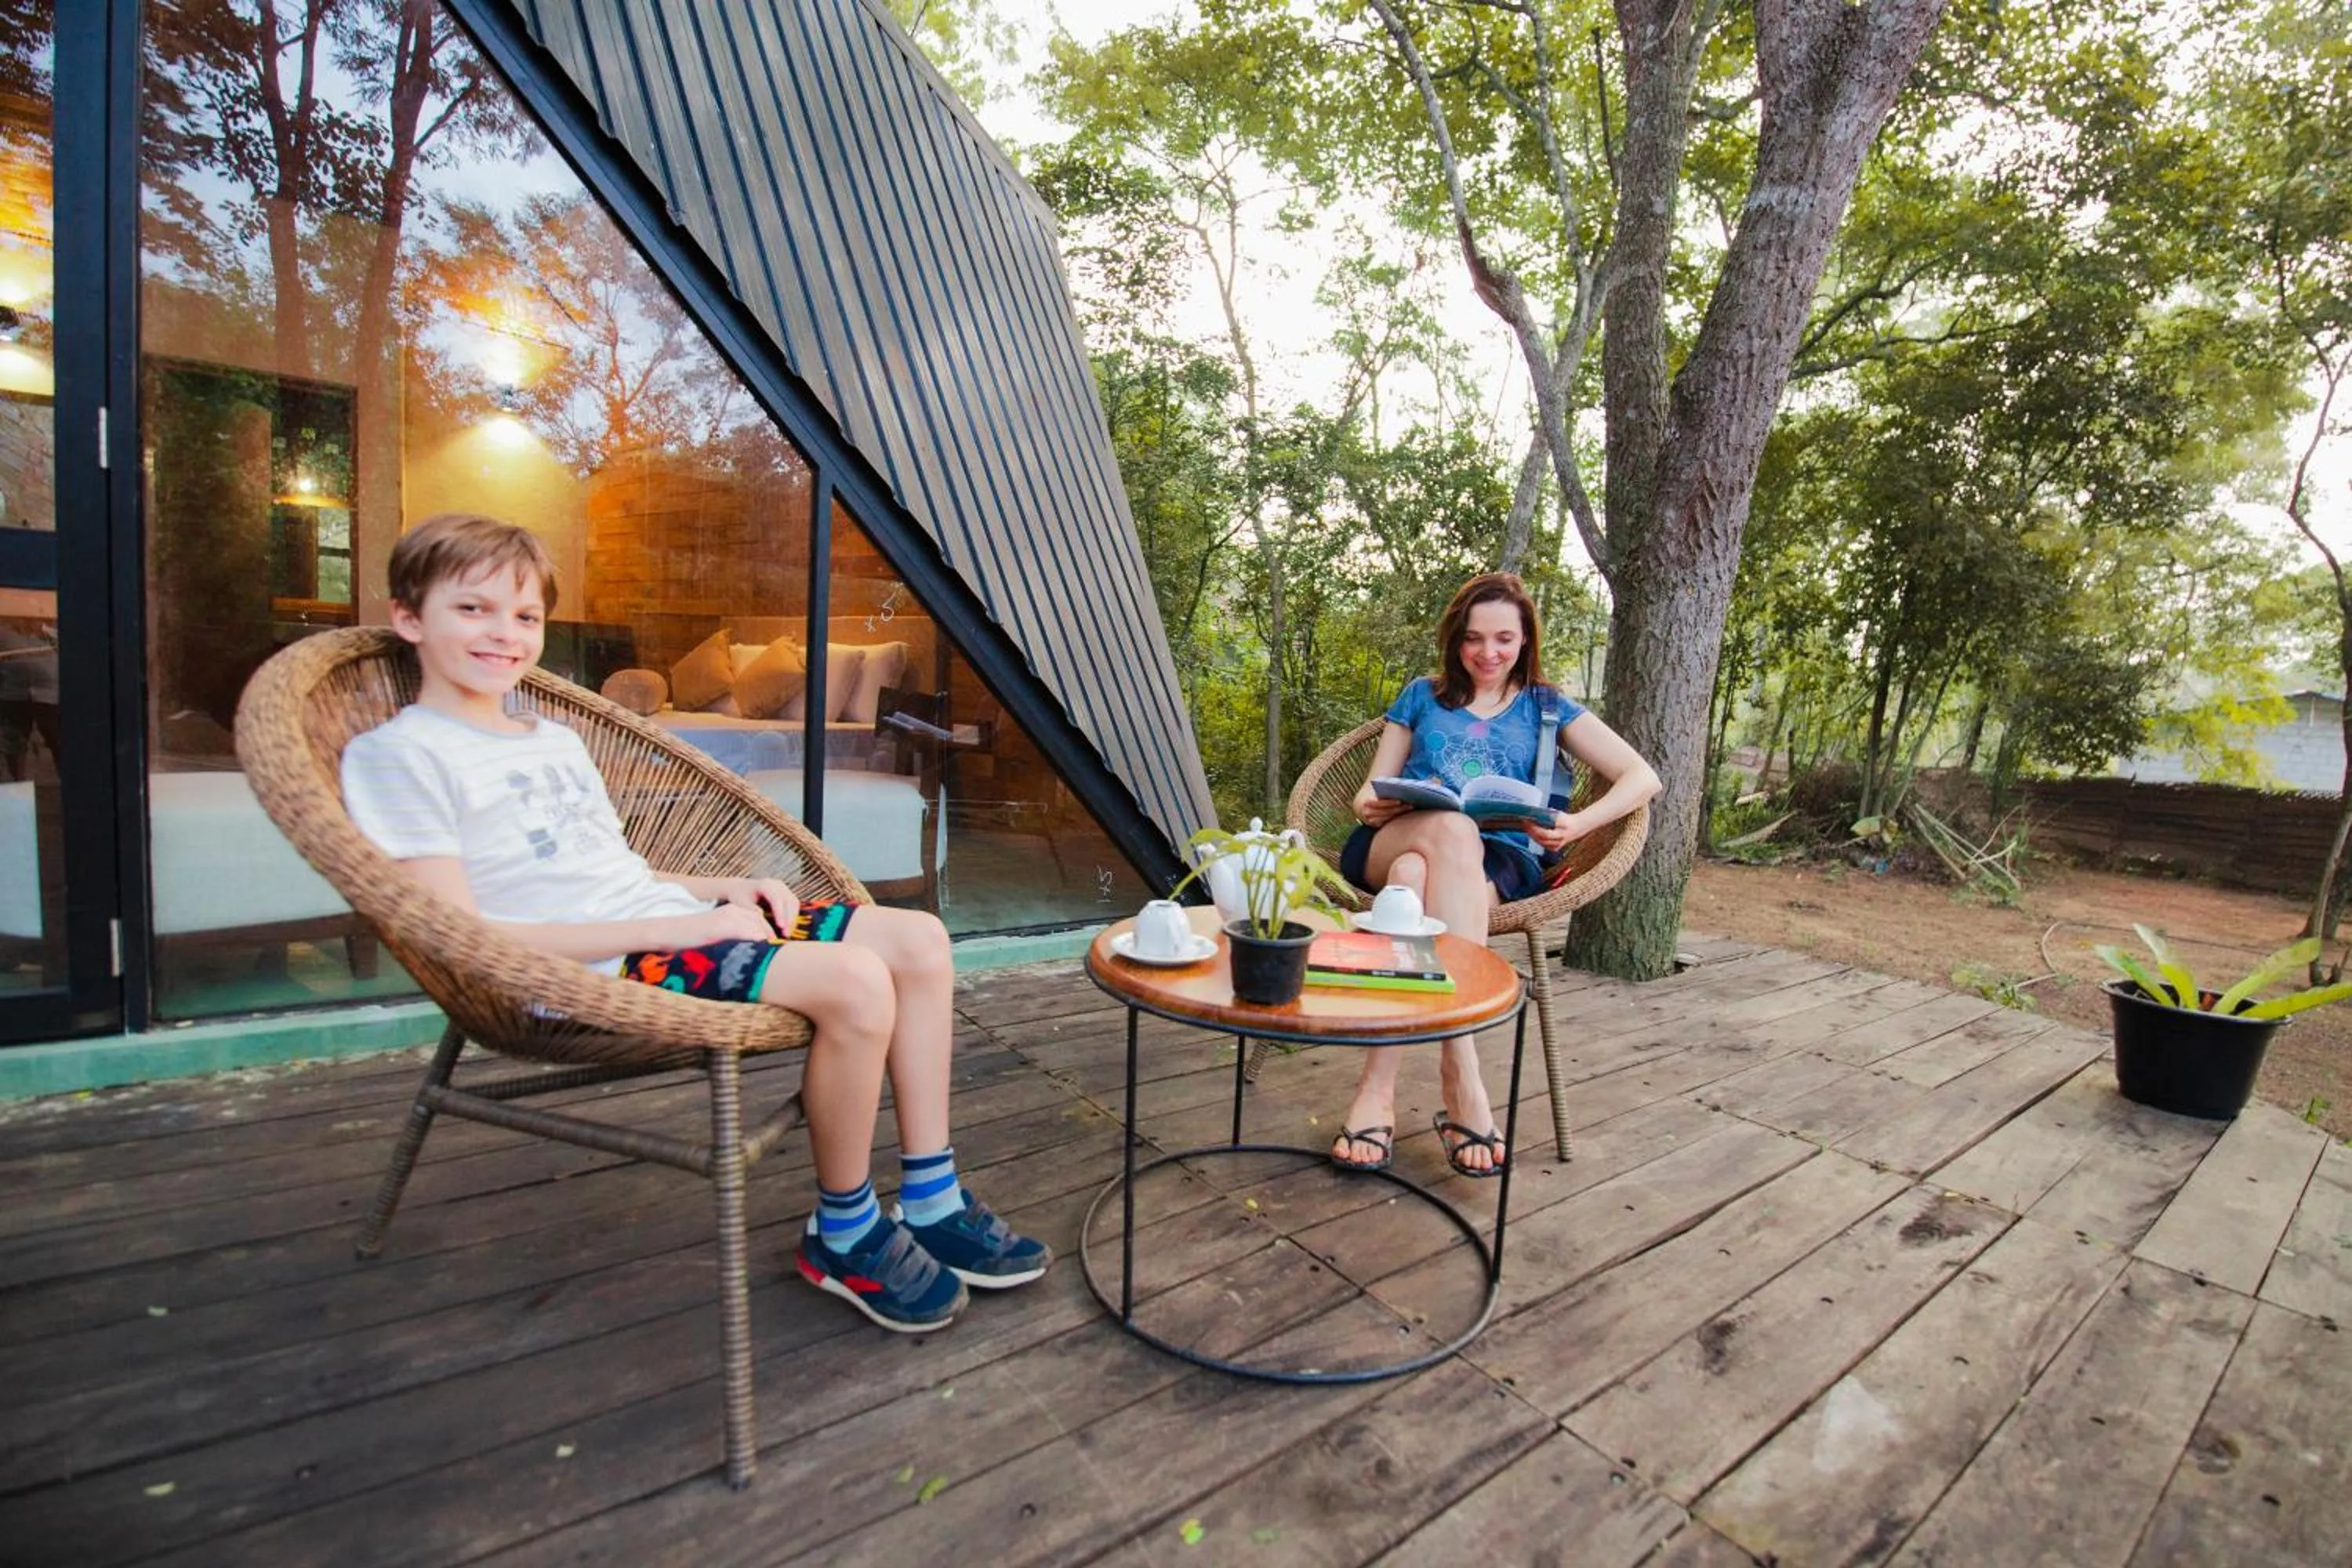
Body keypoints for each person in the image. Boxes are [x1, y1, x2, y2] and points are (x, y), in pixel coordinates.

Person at [339, 514, 1049, 1334]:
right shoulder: (404, 753)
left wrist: (727, 887)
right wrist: (685, 933)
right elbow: (460, 935)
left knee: (918, 940)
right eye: (474, 609)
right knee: (856, 980)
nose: (504, 633)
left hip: (663, 926)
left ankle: (930, 1193)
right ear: (408, 617)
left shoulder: (551, 739)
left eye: (525, 615)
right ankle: (845, 1230)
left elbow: (617, 874)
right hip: (581, 971)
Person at [1329, 572, 1660, 1178]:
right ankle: (1464, 1075)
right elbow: (1365, 795)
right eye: (1474, 639)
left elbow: (1642, 777)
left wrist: (1580, 823)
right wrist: (1372, 804)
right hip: (1396, 834)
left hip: (1495, 860)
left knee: (1410, 880)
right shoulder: (1421, 696)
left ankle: (1377, 1091)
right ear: (1455, 641)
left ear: (1526, 639)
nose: (1488, 653)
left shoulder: (1548, 707)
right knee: (1437, 837)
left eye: (1504, 639)